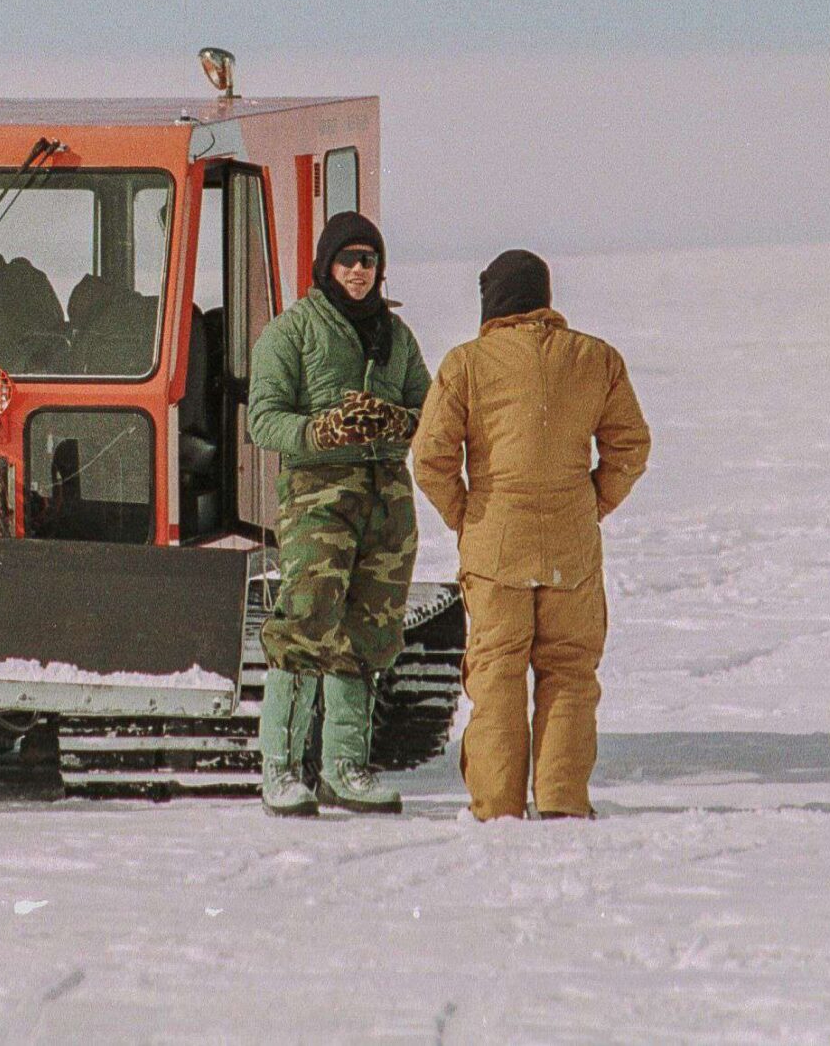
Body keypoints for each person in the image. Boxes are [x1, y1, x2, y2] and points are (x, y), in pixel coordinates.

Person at [410, 250, 650, 821]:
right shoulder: (596, 359)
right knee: (569, 671)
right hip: (571, 543)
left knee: (496, 674)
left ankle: (496, 806)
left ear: (493, 301)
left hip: (495, 545)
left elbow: (430, 458)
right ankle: (564, 800)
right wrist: (593, 502)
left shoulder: (466, 364)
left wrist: (467, 515)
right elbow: (630, 446)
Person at [244, 211, 431, 816]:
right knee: (304, 625)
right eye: (348, 259)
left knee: (368, 631)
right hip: (318, 496)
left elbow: (430, 411)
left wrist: (398, 422)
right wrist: (322, 429)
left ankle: (345, 768)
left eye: (368, 260)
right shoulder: (291, 332)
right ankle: (280, 768)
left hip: (387, 500)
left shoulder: (396, 337)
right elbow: (262, 419)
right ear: (327, 265)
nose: (358, 270)